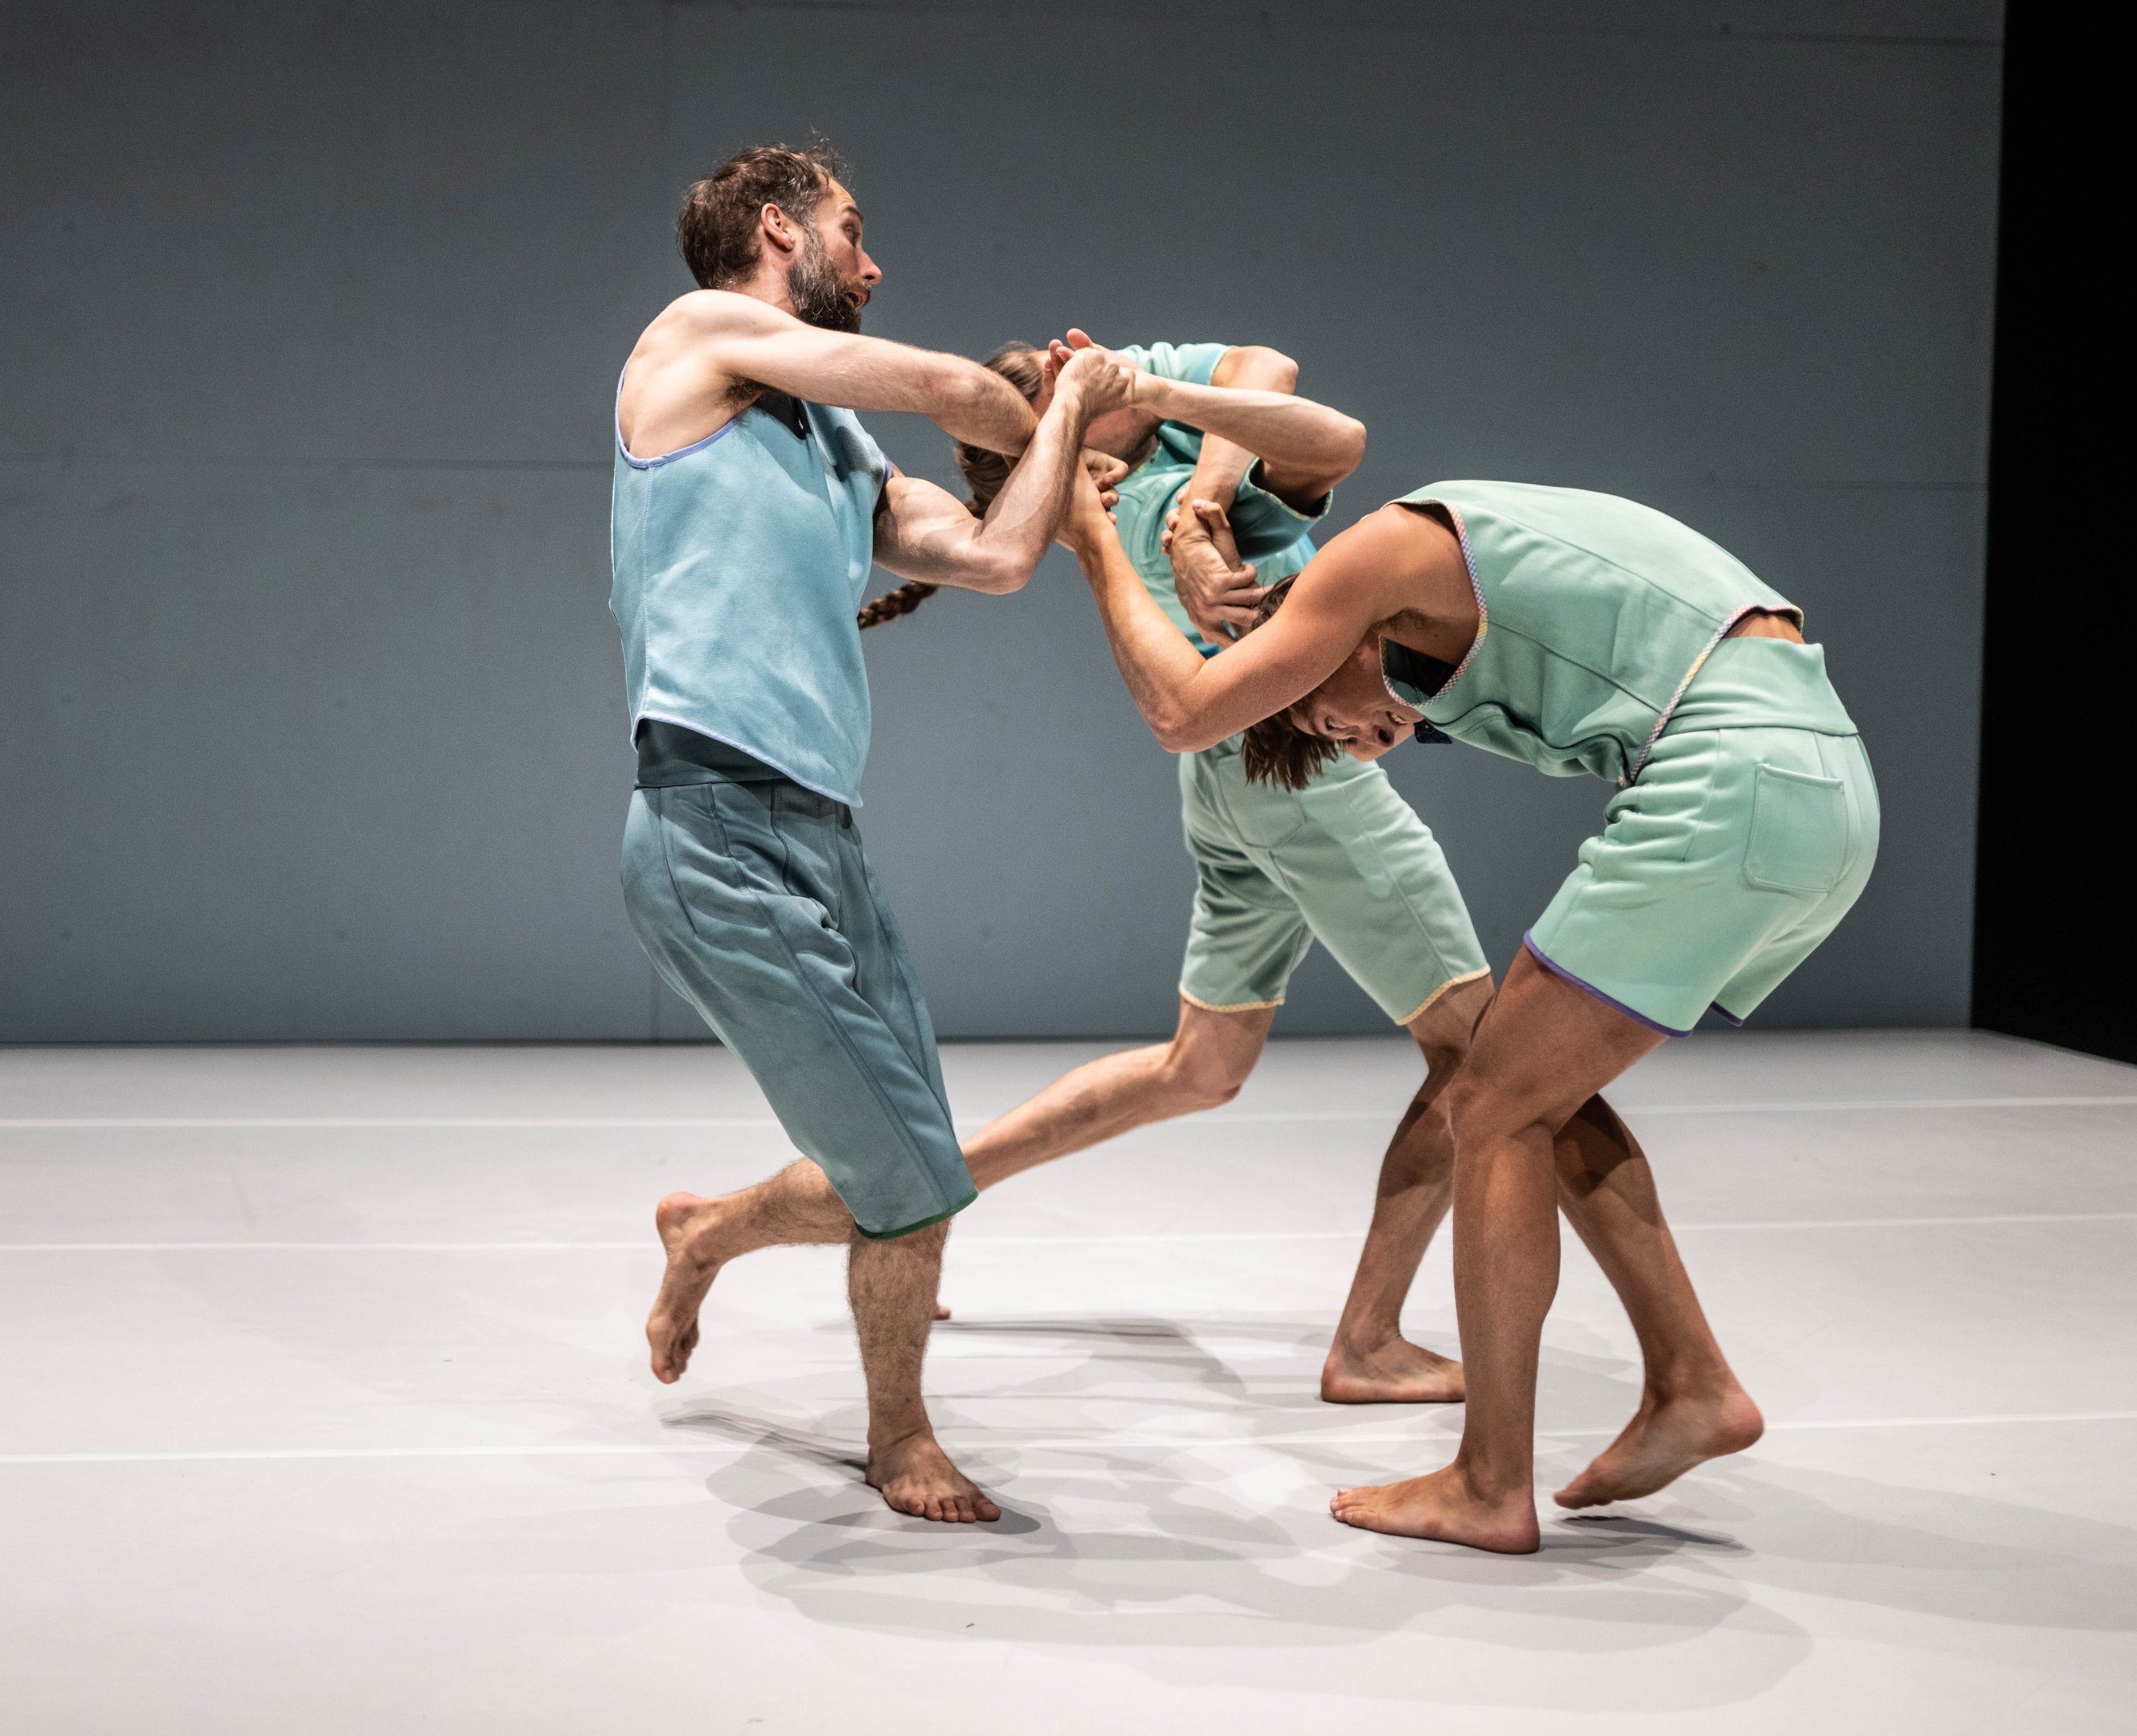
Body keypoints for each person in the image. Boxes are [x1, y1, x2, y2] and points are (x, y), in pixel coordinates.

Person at [1061, 442, 1879, 1554]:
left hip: (1732, 776)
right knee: (1529, 1090)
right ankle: (1691, 1382)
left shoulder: (1376, 555)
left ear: (1314, 643)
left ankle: (1493, 1483)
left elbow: (1184, 708)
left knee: (1489, 1104)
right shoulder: (1435, 635)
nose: (1358, 741)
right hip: (1824, 784)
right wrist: (1201, 534)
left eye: (1322, 718)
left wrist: (1092, 532)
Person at [613, 143, 1129, 1524]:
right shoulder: (700, 336)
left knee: (917, 1167)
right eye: (856, 229)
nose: (876, 260)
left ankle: (707, 1233)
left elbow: (1005, 554)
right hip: (709, 826)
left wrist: (1089, 438)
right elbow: (958, 390)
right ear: (775, 226)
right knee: (909, 1181)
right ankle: (899, 1437)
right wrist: (1062, 394)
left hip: (822, 837)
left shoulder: (835, 445)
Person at [944, 333, 1493, 1404]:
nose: (1083, 353)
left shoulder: (1165, 464)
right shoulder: (1148, 505)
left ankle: (929, 1194)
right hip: (1301, 781)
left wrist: (1183, 454)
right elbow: (1327, 437)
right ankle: (1370, 1343)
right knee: (1478, 1057)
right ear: (1073, 455)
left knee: (1200, 1066)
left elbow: (1261, 362)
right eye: (1063, 381)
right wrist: (1199, 500)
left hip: (1232, 792)